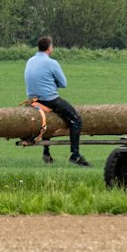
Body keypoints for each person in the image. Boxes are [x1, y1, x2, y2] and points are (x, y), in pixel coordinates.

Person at [25, 36, 87, 167]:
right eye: (52, 46)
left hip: (32, 100)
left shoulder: (30, 61)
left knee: (49, 120)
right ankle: (75, 155)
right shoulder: (52, 63)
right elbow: (63, 83)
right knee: (76, 120)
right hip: (48, 99)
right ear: (49, 48)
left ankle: (46, 151)